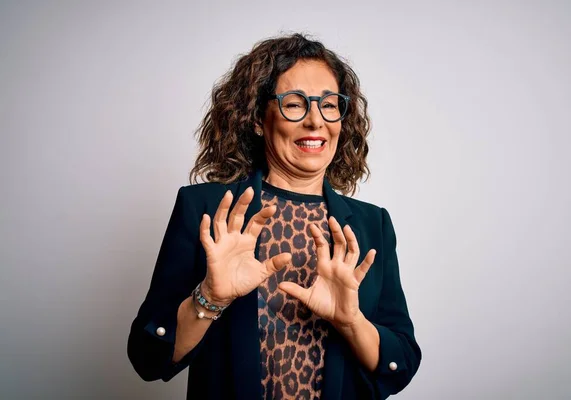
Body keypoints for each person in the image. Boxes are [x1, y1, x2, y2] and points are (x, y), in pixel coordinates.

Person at [127, 33, 421, 400]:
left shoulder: (371, 225)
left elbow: (402, 363)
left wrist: (351, 322)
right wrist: (210, 298)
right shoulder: (206, 209)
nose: (316, 121)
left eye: (330, 105)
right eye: (294, 104)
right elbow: (148, 359)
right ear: (256, 118)